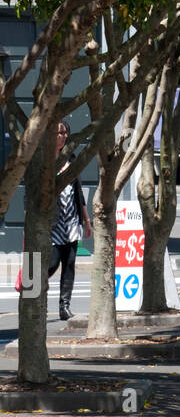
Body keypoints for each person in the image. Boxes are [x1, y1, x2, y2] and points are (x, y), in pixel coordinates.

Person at [50, 121, 91, 320]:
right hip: (51, 223)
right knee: (50, 264)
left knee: (69, 264)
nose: (64, 136)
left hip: (71, 222)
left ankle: (64, 307)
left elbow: (78, 192)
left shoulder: (71, 158)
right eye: (61, 132)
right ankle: (31, 300)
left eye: (66, 132)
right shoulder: (44, 160)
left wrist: (86, 220)